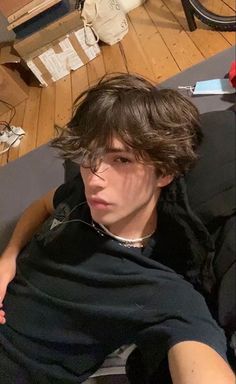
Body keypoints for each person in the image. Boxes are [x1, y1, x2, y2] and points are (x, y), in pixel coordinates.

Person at [0, 74, 234, 384]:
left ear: (163, 172)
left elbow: (198, 356)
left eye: (121, 159)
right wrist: (8, 258)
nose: (95, 179)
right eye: (89, 158)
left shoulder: (156, 288)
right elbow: (43, 206)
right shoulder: (81, 195)